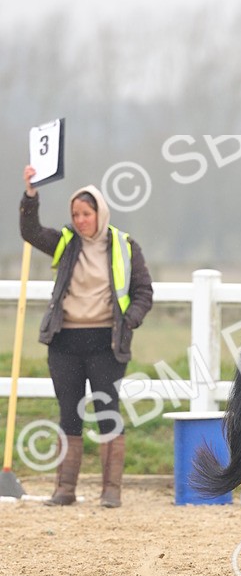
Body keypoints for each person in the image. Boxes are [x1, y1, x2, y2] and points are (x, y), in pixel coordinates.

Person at [19, 166, 153, 506]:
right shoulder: (64, 243)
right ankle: (65, 489)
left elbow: (143, 292)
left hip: (106, 344)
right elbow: (30, 231)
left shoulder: (125, 246)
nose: (80, 220)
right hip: (64, 343)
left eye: (86, 214)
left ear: (99, 214)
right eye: (75, 214)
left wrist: (129, 321)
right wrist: (31, 194)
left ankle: (111, 491)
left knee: (107, 410)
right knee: (69, 414)